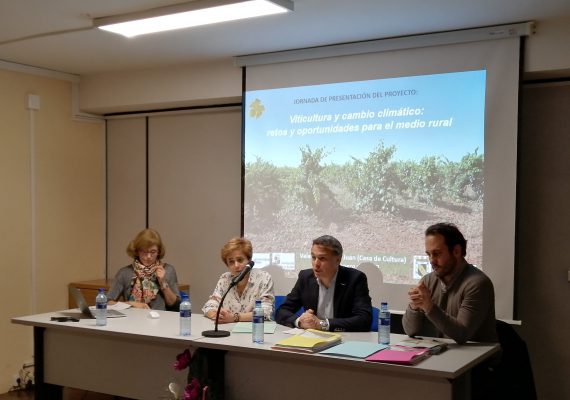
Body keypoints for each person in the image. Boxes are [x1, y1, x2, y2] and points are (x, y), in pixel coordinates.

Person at [403, 222, 497, 344]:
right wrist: (414, 307)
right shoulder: (427, 281)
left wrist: (429, 307)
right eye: (429, 254)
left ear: (456, 251)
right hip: (440, 355)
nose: (432, 261)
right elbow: (410, 330)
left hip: (477, 360)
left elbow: (462, 334)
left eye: (437, 254)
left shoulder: (478, 284)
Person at [275, 235, 372, 332]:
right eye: (313, 257)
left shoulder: (355, 279)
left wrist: (322, 324)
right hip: (312, 338)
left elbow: (364, 319)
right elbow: (282, 311)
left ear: (338, 260)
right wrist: (300, 321)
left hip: (344, 340)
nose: (316, 264)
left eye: (322, 258)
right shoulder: (305, 277)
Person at [202, 237, 274, 323]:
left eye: (240, 260)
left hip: (256, 331)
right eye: (231, 262)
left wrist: (234, 317)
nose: (236, 265)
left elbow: (266, 312)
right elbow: (209, 305)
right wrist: (217, 314)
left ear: (249, 261)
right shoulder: (225, 279)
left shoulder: (264, 278)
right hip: (229, 331)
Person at [107, 228, 181, 310]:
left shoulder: (168, 270)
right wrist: (130, 304)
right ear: (136, 251)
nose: (148, 256)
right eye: (144, 252)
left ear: (159, 252)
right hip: (131, 320)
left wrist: (163, 282)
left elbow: (176, 306)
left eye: (153, 252)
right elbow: (107, 303)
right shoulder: (125, 272)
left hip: (160, 319)